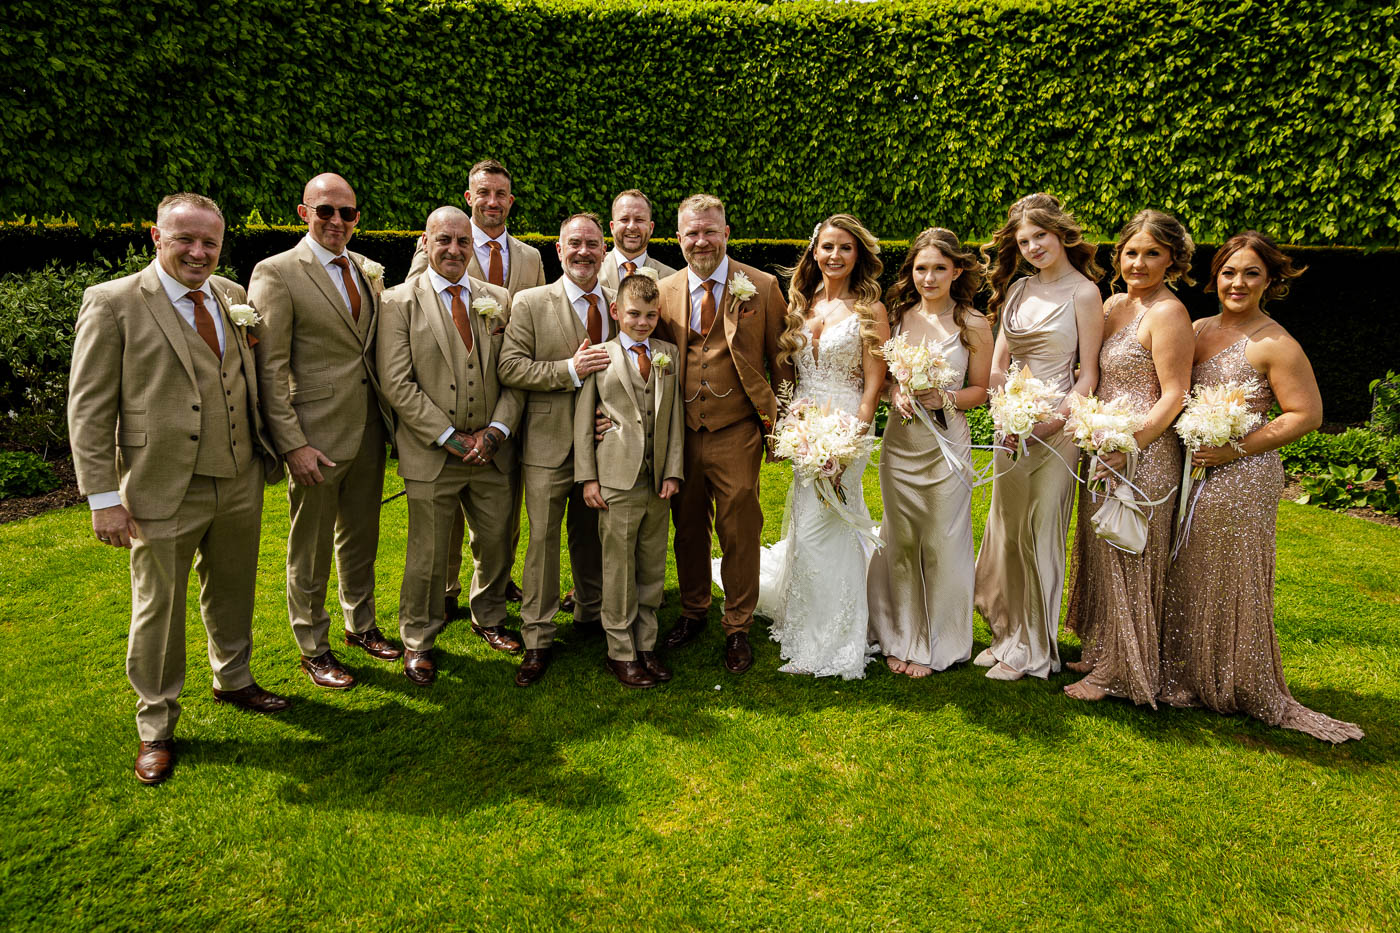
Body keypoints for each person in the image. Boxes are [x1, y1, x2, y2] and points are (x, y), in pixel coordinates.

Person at [68, 192, 289, 784]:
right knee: (158, 609)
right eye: (185, 239)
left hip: (241, 475)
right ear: (155, 237)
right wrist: (103, 497)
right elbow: (88, 410)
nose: (198, 251)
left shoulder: (233, 298)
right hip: (160, 485)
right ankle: (156, 723)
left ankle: (234, 678)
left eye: (209, 242)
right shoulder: (113, 302)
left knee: (234, 587)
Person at [1158, 232, 1363, 742]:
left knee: (1226, 571)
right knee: (1185, 564)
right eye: (1229, 272)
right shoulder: (1198, 328)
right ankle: (1182, 670)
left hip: (1241, 474)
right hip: (1190, 464)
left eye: (1251, 273)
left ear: (1269, 281)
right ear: (1215, 276)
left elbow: (1307, 414)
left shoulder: (1276, 344)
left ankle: (1232, 676)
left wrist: (1236, 448)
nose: (1238, 282)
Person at [249, 172, 400, 691]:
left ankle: (361, 625)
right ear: (303, 213)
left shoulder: (365, 270)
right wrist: (292, 443)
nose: (337, 221)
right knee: (309, 546)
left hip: (368, 429)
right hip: (313, 435)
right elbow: (269, 369)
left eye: (347, 213)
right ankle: (313, 646)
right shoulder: (277, 272)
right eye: (326, 211)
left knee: (361, 536)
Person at [375, 206, 522, 686]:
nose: (455, 250)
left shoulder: (498, 298)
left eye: (462, 242)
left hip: (492, 451)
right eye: (444, 241)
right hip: (433, 453)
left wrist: (496, 431)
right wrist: (448, 437)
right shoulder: (398, 302)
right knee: (428, 552)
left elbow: (514, 374)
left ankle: (490, 616)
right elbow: (397, 382)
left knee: (497, 540)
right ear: (426, 242)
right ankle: (418, 638)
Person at [653, 193, 793, 674]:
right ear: (678, 238)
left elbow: (781, 361)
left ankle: (737, 625)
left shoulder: (761, 285)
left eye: (710, 231)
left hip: (737, 428)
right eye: (691, 233)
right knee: (688, 527)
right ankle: (694, 611)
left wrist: (782, 425)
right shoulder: (663, 290)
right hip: (680, 430)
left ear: (726, 233)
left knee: (740, 527)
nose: (701, 241)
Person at [1061, 210, 1194, 705]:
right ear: (1119, 255)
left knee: (1129, 552)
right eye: (1132, 252)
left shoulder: (1168, 313)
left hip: (1144, 451)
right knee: (1101, 548)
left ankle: (1120, 672)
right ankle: (1103, 649)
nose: (1139, 262)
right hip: (1102, 444)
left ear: (1172, 260)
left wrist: (1129, 444)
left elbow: (1174, 393)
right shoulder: (1114, 303)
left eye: (1152, 253)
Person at [973, 193, 1104, 681]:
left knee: (1039, 533)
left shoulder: (1085, 293)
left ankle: (1035, 649)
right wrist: (1005, 414)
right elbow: (998, 365)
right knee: (1005, 532)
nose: (1032, 247)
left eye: (1040, 237)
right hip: (1012, 428)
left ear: (1061, 234)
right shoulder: (1019, 290)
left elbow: (1087, 375)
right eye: (1024, 240)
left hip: (1057, 429)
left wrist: (1047, 424)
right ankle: (1005, 634)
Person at [409, 160, 545, 622]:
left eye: (501, 194)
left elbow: (537, 324)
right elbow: (415, 313)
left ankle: (495, 582)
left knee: (500, 506)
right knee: (442, 516)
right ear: (470, 198)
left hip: (506, 402)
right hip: (445, 401)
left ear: (510, 200)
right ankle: (445, 589)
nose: (492, 201)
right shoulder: (438, 244)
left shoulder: (529, 257)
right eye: (483, 193)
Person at [755, 214, 888, 678]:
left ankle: (841, 632)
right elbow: (787, 375)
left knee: (837, 523)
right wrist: (790, 421)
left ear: (859, 256)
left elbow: (873, 386)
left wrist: (852, 438)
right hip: (804, 427)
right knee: (808, 524)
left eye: (846, 248)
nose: (835, 256)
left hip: (847, 424)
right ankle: (806, 620)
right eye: (827, 247)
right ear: (814, 252)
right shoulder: (800, 305)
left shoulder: (871, 310)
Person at [866, 228, 992, 677]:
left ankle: (942, 638)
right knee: (901, 541)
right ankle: (900, 634)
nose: (930, 277)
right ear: (912, 272)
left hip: (947, 447)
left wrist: (947, 398)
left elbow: (982, 389)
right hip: (900, 445)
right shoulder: (897, 320)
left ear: (957, 270)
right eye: (922, 268)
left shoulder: (973, 324)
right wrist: (895, 391)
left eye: (940, 268)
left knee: (942, 541)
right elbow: (878, 379)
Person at [498, 213, 614, 686]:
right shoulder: (529, 303)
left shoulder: (619, 303)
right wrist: (569, 369)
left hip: (605, 447)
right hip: (547, 446)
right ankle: (538, 636)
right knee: (542, 543)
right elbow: (510, 367)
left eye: (592, 243)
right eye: (574, 244)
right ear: (558, 250)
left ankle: (591, 614)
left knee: (594, 538)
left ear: (604, 251)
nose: (583, 251)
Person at [574, 272, 685, 688]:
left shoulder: (667, 354)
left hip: (657, 482)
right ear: (617, 311)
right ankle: (620, 651)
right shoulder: (600, 355)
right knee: (618, 569)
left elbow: (673, 419)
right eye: (634, 314)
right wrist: (588, 478)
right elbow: (584, 420)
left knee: (652, 566)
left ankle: (647, 644)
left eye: (651, 315)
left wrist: (673, 471)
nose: (642, 322)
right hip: (616, 481)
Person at [599, 189, 679, 289]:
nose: (632, 227)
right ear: (612, 227)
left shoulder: (671, 279)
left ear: (651, 228)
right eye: (624, 219)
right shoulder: (592, 272)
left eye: (639, 220)